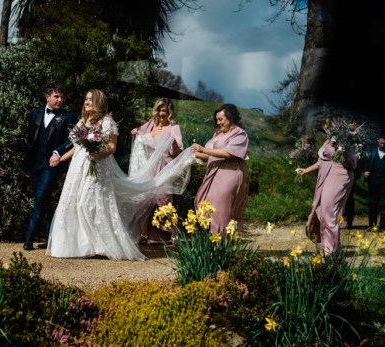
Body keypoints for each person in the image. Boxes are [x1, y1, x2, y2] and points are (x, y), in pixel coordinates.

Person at [46, 89, 195, 260]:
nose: (86, 102)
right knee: (75, 201)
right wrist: (61, 157)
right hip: (78, 167)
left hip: (97, 166)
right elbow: (77, 147)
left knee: (88, 202)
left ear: (98, 102)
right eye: (86, 99)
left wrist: (98, 154)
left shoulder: (107, 122)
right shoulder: (82, 122)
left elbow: (112, 147)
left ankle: (103, 244)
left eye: (90, 99)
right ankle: (83, 245)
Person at [22, 83, 77, 251]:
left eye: (62, 97)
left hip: (52, 165)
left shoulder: (68, 116)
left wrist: (58, 153)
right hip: (35, 165)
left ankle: (28, 238)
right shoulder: (34, 113)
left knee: (40, 199)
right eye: (56, 96)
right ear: (47, 97)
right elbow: (31, 139)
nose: (60, 100)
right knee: (44, 202)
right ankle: (52, 238)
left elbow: (72, 140)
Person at [296, 117, 358, 253]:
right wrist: (305, 170)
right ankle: (331, 245)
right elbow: (320, 162)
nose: (325, 130)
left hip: (339, 177)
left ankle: (330, 249)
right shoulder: (327, 141)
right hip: (326, 176)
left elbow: (352, 164)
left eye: (326, 127)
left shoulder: (346, 142)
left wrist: (343, 154)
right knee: (322, 210)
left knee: (329, 211)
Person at [129, 98, 184, 244]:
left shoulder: (173, 128)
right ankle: (144, 233)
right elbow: (135, 131)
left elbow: (178, 151)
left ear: (170, 112)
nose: (161, 113)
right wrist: (135, 131)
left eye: (164, 111)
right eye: (159, 110)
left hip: (164, 167)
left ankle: (173, 232)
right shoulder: (150, 125)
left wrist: (173, 143)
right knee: (146, 200)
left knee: (162, 200)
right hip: (147, 168)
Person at [190, 104, 249, 235]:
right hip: (213, 174)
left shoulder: (240, 134)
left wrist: (204, 149)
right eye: (217, 119)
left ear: (230, 118)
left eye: (221, 119)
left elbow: (230, 153)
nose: (218, 122)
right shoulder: (217, 133)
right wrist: (192, 154)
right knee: (206, 204)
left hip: (229, 174)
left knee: (221, 207)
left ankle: (222, 241)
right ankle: (212, 239)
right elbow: (210, 154)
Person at [362, 135, 385, 231]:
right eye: (380, 143)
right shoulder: (371, 150)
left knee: (384, 203)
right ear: (378, 141)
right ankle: (372, 225)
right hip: (373, 181)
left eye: (384, 143)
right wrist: (365, 171)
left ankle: (382, 227)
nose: (382, 145)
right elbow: (365, 161)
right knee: (372, 203)